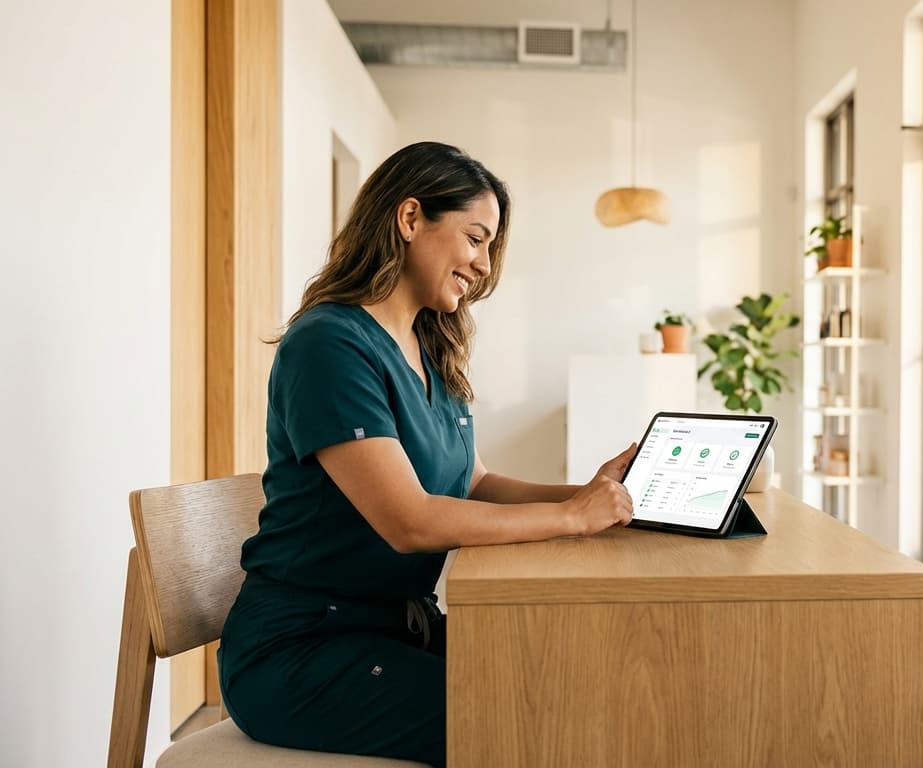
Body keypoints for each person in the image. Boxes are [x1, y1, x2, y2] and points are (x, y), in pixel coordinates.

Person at [217, 141, 636, 766]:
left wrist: (587, 494)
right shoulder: (329, 344)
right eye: (476, 238)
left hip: (392, 629)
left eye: (490, 247)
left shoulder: (425, 346)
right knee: (529, 721)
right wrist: (574, 518)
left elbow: (472, 481)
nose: (485, 264)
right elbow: (409, 520)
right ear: (410, 219)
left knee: (565, 687)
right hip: (302, 651)